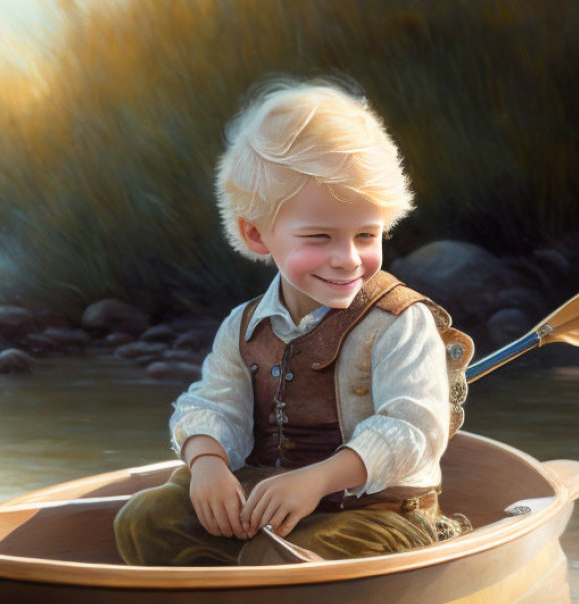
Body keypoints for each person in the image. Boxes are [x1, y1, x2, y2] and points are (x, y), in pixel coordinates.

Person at [114, 76, 471, 566]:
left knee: (272, 557)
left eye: (367, 234)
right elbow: (214, 406)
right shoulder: (243, 326)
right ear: (257, 234)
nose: (348, 259)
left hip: (379, 513)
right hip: (270, 500)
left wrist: (317, 480)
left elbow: (414, 431)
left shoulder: (400, 322)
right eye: (320, 237)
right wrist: (208, 463)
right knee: (145, 520)